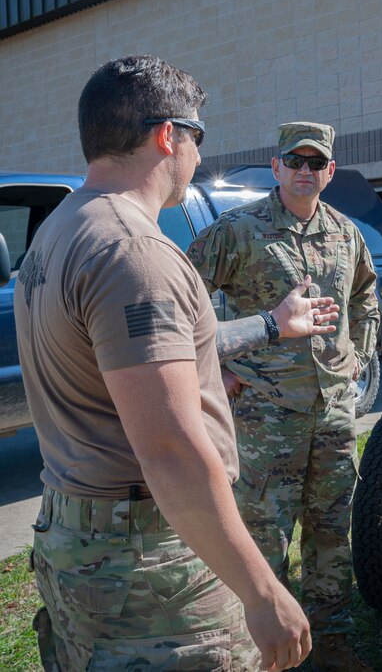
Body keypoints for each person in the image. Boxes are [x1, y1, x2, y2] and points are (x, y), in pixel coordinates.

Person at [14, 55, 338, 670]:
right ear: (169, 135)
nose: (198, 158)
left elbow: (148, 353)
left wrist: (271, 324)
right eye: (198, 138)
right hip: (146, 560)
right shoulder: (135, 253)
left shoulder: (62, 229)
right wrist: (262, 590)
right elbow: (171, 450)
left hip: (80, 536)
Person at [188, 121, 380, 670]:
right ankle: (265, 650)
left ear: (329, 172)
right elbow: (182, 299)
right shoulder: (238, 230)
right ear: (275, 167)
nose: (303, 171)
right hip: (265, 414)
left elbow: (366, 296)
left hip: (333, 414)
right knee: (263, 534)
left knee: (330, 530)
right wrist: (217, 365)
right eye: (293, 161)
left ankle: (331, 641)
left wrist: (358, 358)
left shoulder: (346, 233)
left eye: (314, 163)